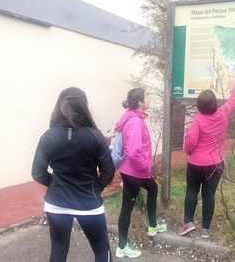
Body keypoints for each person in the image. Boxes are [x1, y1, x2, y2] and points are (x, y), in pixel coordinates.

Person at [31, 87, 115, 262]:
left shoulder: (48, 137)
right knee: (101, 249)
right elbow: (108, 171)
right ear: (84, 106)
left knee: (59, 250)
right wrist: (94, 188)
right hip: (88, 202)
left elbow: (37, 173)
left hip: (57, 203)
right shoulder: (95, 136)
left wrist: (55, 185)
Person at [178, 72, 235, 239]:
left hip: (195, 164)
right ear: (215, 103)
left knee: (192, 191)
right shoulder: (223, 113)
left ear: (199, 106)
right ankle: (205, 231)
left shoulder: (198, 120)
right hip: (215, 164)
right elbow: (234, 97)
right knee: (209, 195)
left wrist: (188, 152)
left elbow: (191, 142)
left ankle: (188, 223)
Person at [114, 88, 167, 258]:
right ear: (140, 103)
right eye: (147, 97)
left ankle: (152, 225)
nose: (149, 99)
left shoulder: (132, 116)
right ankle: (122, 246)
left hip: (134, 169)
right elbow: (135, 152)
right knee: (127, 208)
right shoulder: (135, 122)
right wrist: (147, 167)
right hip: (134, 171)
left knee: (153, 189)